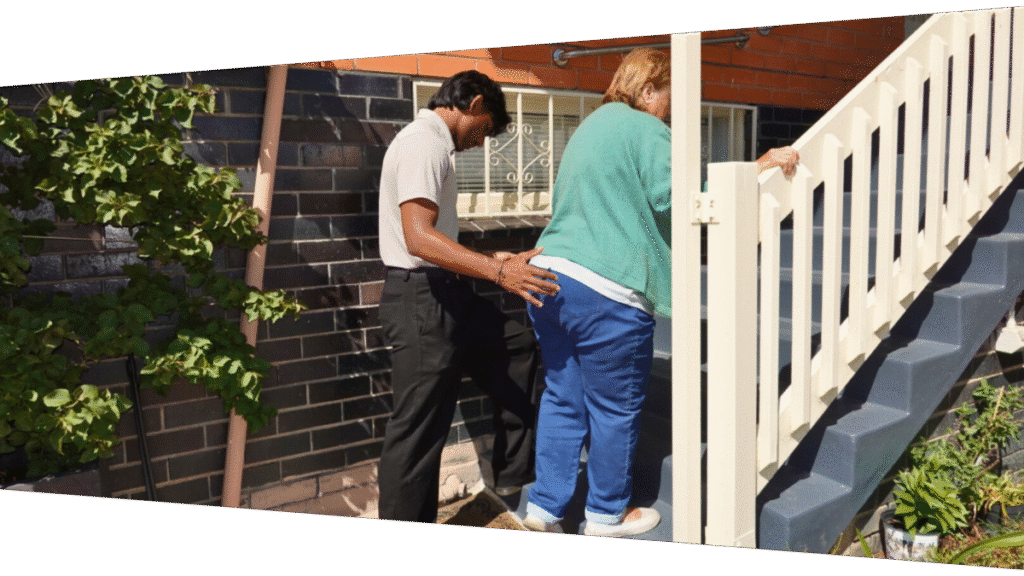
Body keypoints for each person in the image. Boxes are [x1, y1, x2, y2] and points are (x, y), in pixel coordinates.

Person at [520, 47, 799, 537]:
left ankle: (544, 509)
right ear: (648, 90)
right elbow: (681, 194)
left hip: (550, 279)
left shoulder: (592, 125)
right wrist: (759, 165)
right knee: (614, 409)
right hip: (605, 287)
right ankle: (606, 515)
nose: (671, 111)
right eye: (670, 97)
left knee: (564, 400)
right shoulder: (644, 126)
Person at [376, 70, 561, 524]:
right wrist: (497, 270)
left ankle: (512, 472)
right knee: (418, 433)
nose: (482, 143)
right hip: (421, 301)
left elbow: (434, 238)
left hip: (445, 292)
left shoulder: (433, 144)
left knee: (516, 346)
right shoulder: (425, 143)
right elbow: (418, 240)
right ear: (474, 104)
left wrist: (485, 256)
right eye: (486, 130)